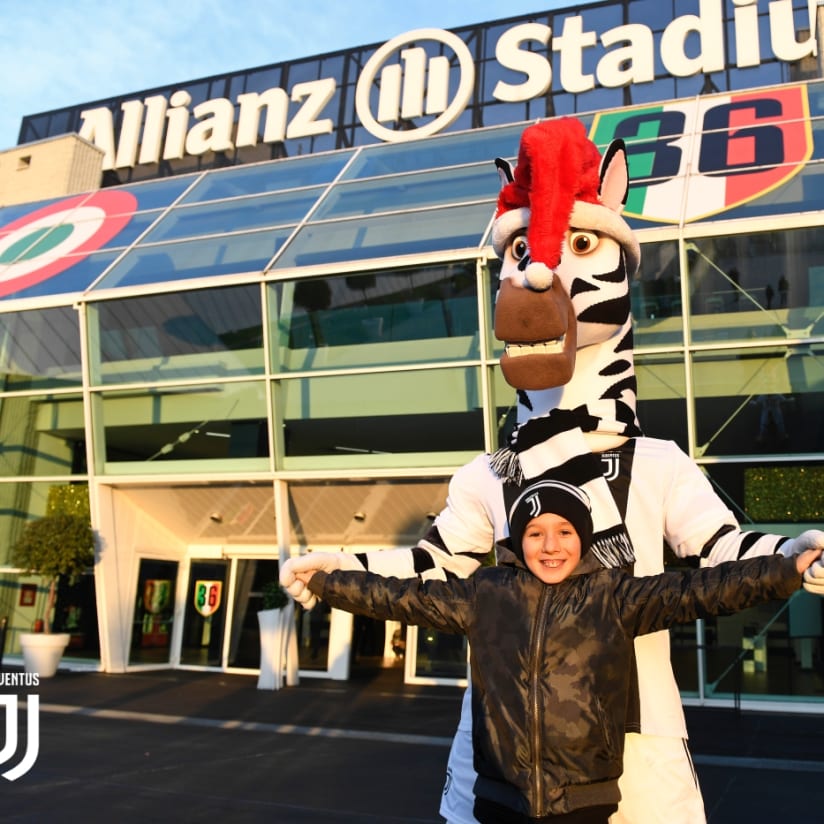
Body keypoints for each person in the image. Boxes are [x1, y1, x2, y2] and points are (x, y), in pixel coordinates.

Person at [281, 119, 824, 824]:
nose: (538, 268)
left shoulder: (656, 464)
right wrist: (337, 565)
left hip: (638, 755)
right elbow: (429, 570)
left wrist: (788, 555)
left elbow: (720, 555)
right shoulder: (486, 472)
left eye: (580, 244)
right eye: (519, 249)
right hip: (503, 756)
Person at [295, 477, 821, 824]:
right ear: (517, 541)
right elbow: (400, 597)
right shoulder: (487, 594)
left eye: (565, 531)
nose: (550, 545)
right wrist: (324, 581)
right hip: (500, 796)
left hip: (585, 802)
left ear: (583, 537)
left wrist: (787, 566)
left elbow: (707, 588)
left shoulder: (615, 596)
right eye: (535, 533)